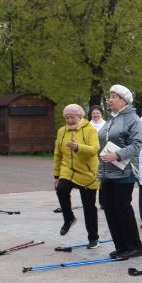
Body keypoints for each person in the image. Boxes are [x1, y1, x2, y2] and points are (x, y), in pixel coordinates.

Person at [98, 85, 142, 259]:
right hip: (107, 172)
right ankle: (120, 246)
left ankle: (134, 247)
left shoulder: (133, 119)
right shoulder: (111, 119)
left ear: (124, 100)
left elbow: (137, 144)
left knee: (122, 209)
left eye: (113, 97)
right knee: (110, 209)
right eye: (109, 96)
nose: (109, 100)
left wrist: (117, 155)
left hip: (124, 172)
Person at [53, 103, 101, 247]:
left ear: (80, 117)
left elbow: (94, 150)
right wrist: (56, 176)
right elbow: (58, 154)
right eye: (66, 118)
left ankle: (93, 238)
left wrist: (77, 147)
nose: (69, 121)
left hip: (87, 172)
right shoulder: (62, 131)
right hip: (68, 170)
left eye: (72, 117)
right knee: (61, 189)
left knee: (89, 207)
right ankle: (69, 218)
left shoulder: (90, 130)